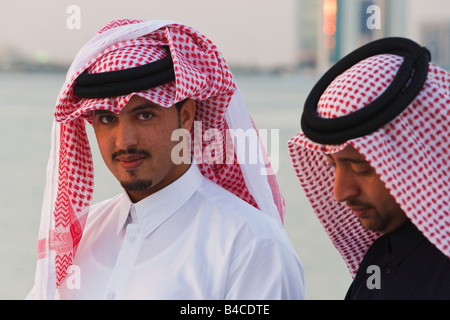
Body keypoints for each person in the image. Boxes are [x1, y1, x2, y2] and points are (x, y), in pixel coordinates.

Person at [28, 19, 305, 300]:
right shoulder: (79, 238)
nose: (125, 141)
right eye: (107, 119)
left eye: (144, 115)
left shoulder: (251, 245)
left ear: (185, 116)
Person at [288, 37, 450, 299]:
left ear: (416, 155)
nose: (339, 192)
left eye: (361, 168)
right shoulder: (382, 254)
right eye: (333, 165)